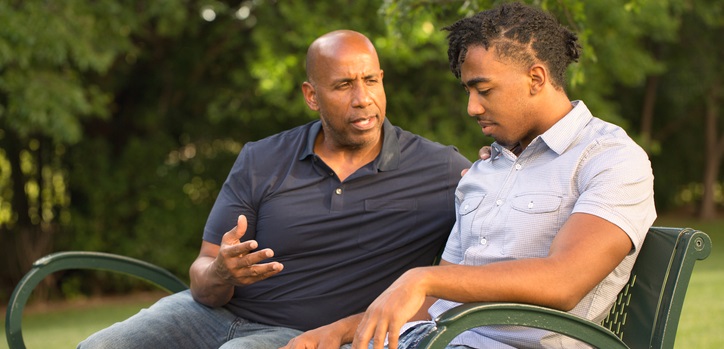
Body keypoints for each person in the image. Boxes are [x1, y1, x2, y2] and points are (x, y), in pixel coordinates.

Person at [291, 3, 656, 349]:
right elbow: (438, 300)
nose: (472, 107)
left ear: (536, 78)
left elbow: (565, 281)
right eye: (468, 91)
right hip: (436, 338)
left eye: (483, 90)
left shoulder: (609, 159)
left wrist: (422, 277)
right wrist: (337, 332)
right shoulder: (486, 170)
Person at [78, 30, 471, 349]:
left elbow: (500, 211)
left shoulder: (441, 169)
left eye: (370, 80)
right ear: (311, 96)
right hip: (207, 317)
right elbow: (202, 274)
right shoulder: (261, 159)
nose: (362, 99)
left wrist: (498, 161)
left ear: (382, 81)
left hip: (305, 336)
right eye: (343, 85)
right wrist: (221, 271)